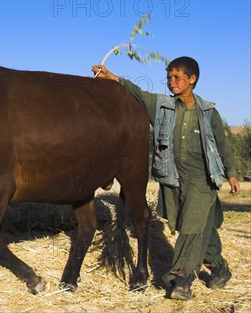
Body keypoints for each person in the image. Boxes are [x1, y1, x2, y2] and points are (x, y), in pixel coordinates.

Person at [92, 57, 240, 300]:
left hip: (202, 181)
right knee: (190, 224)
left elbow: (222, 144)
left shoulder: (208, 112)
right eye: (169, 77)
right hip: (173, 179)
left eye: (177, 78)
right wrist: (112, 77)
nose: (171, 82)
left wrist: (232, 173)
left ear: (192, 80)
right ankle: (218, 266)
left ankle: (181, 279)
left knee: (191, 229)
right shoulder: (161, 106)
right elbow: (137, 93)